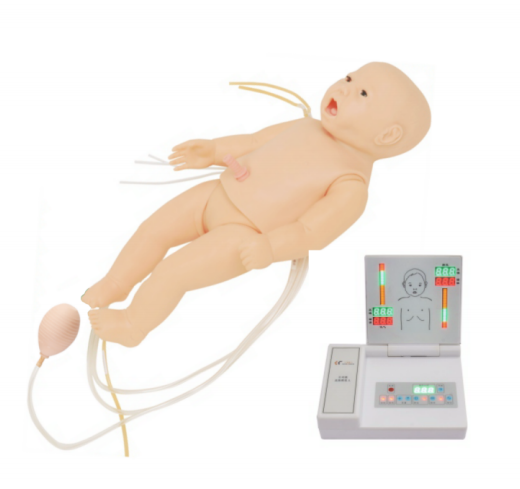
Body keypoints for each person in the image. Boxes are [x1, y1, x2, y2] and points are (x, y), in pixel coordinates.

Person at [83, 62, 431, 347]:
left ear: (388, 136)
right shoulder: (305, 126)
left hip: (244, 234)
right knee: (153, 230)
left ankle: (133, 324)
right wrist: (213, 150)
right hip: (216, 193)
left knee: (173, 272)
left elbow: (311, 232)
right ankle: (115, 283)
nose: (342, 88)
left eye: (362, 93)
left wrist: (270, 247)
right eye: (349, 78)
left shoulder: (351, 185)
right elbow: (253, 141)